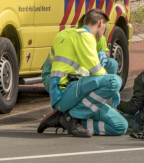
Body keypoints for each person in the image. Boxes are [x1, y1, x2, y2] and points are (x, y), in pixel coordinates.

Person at [36, 9, 127, 137]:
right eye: (105, 27)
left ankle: (70, 121)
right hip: (64, 91)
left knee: (120, 126)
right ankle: (71, 117)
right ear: (101, 23)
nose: (104, 32)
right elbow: (97, 72)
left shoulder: (85, 36)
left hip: (78, 93)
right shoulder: (83, 35)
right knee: (114, 81)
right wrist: (114, 90)